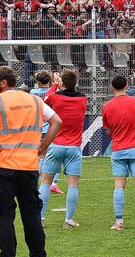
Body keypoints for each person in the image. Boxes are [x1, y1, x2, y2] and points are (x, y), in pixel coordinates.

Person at [0, 66, 62, 257]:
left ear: (3, 83)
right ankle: (38, 254)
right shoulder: (34, 100)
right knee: (31, 216)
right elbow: (57, 121)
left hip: (3, 167)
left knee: (4, 216)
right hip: (29, 169)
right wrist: (43, 146)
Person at [102, 75, 135, 231]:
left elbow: (108, 130)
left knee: (119, 186)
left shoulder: (106, 106)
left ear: (112, 87)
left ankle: (119, 222)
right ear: (126, 86)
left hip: (118, 149)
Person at [39, 69, 88, 228]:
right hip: (74, 147)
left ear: (61, 83)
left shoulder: (55, 96)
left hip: (56, 145)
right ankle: (69, 220)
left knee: (45, 182)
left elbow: (45, 99)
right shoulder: (83, 99)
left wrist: (54, 84)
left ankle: (40, 218)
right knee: (73, 184)